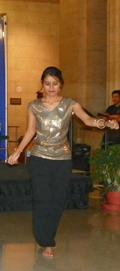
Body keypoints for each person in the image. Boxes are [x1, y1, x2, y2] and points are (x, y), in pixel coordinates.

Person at [7, 66, 119, 258]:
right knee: (42, 199)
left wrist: (105, 123)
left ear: (61, 85)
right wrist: (18, 151)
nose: (51, 87)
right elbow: (31, 131)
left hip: (63, 159)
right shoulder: (34, 106)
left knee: (57, 201)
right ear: (42, 85)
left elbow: (88, 120)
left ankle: (48, 236)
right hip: (40, 158)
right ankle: (47, 241)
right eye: (47, 83)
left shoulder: (70, 104)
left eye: (55, 84)